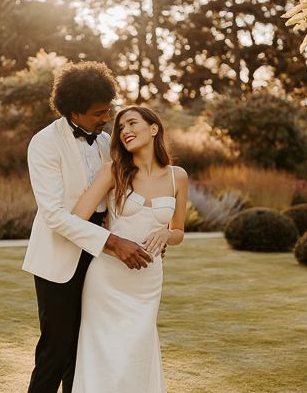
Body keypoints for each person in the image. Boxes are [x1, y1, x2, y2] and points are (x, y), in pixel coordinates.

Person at [23, 62, 153, 393]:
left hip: (100, 259)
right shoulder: (44, 144)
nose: (106, 118)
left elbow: (119, 197)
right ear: (76, 111)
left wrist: (147, 231)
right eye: (98, 113)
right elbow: (54, 214)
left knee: (87, 347)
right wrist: (113, 243)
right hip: (59, 255)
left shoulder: (107, 141)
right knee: (57, 347)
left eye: (107, 110)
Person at [71, 105, 188, 393]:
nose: (124, 131)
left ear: (153, 128)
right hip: (108, 277)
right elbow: (76, 219)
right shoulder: (113, 171)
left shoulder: (178, 177)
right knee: (103, 354)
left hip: (148, 281)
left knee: (137, 353)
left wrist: (166, 233)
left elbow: (179, 232)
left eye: (132, 123)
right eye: (121, 127)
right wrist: (112, 243)